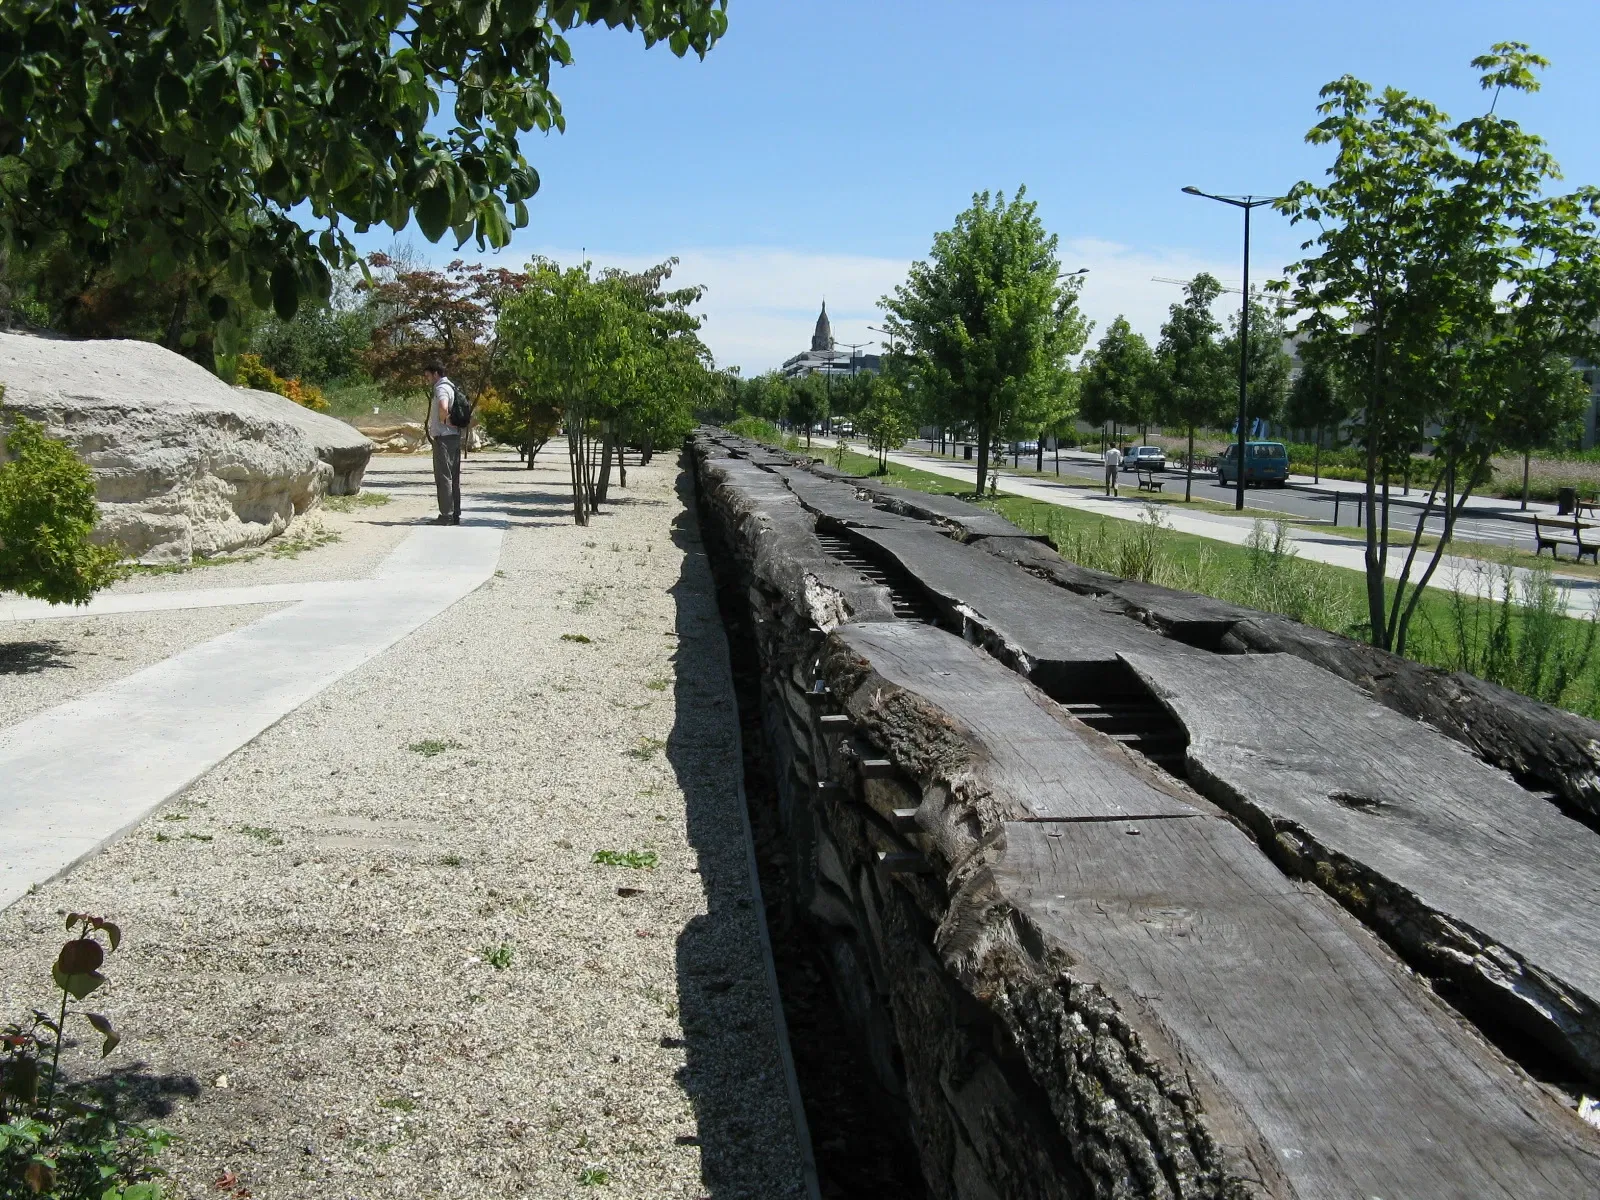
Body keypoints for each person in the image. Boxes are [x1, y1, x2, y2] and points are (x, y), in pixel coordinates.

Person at [424, 363, 461, 525]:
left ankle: (446, 515)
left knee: (443, 477)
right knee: (453, 477)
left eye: (428, 376)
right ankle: (455, 514)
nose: (427, 379)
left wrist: (444, 420)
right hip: (453, 437)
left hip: (444, 438)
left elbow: (443, 407)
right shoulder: (453, 386)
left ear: (436, 374)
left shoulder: (441, 388)